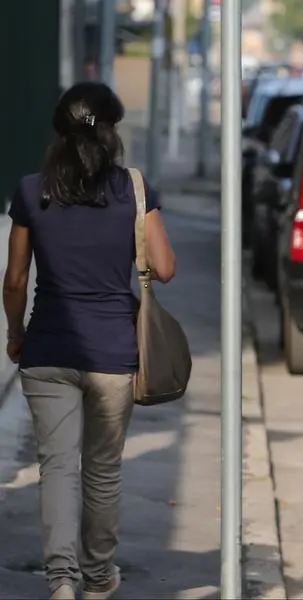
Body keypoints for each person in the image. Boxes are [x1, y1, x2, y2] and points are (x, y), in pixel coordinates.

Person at [2, 82, 176, 600]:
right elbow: (164, 268)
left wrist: (16, 335)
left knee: (56, 467)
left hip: (48, 349)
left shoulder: (32, 191)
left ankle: (60, 579)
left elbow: (14, 280)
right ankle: (99, 576)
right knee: (101, 471)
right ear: (111, 132)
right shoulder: (132, 191)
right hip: (112, 355)